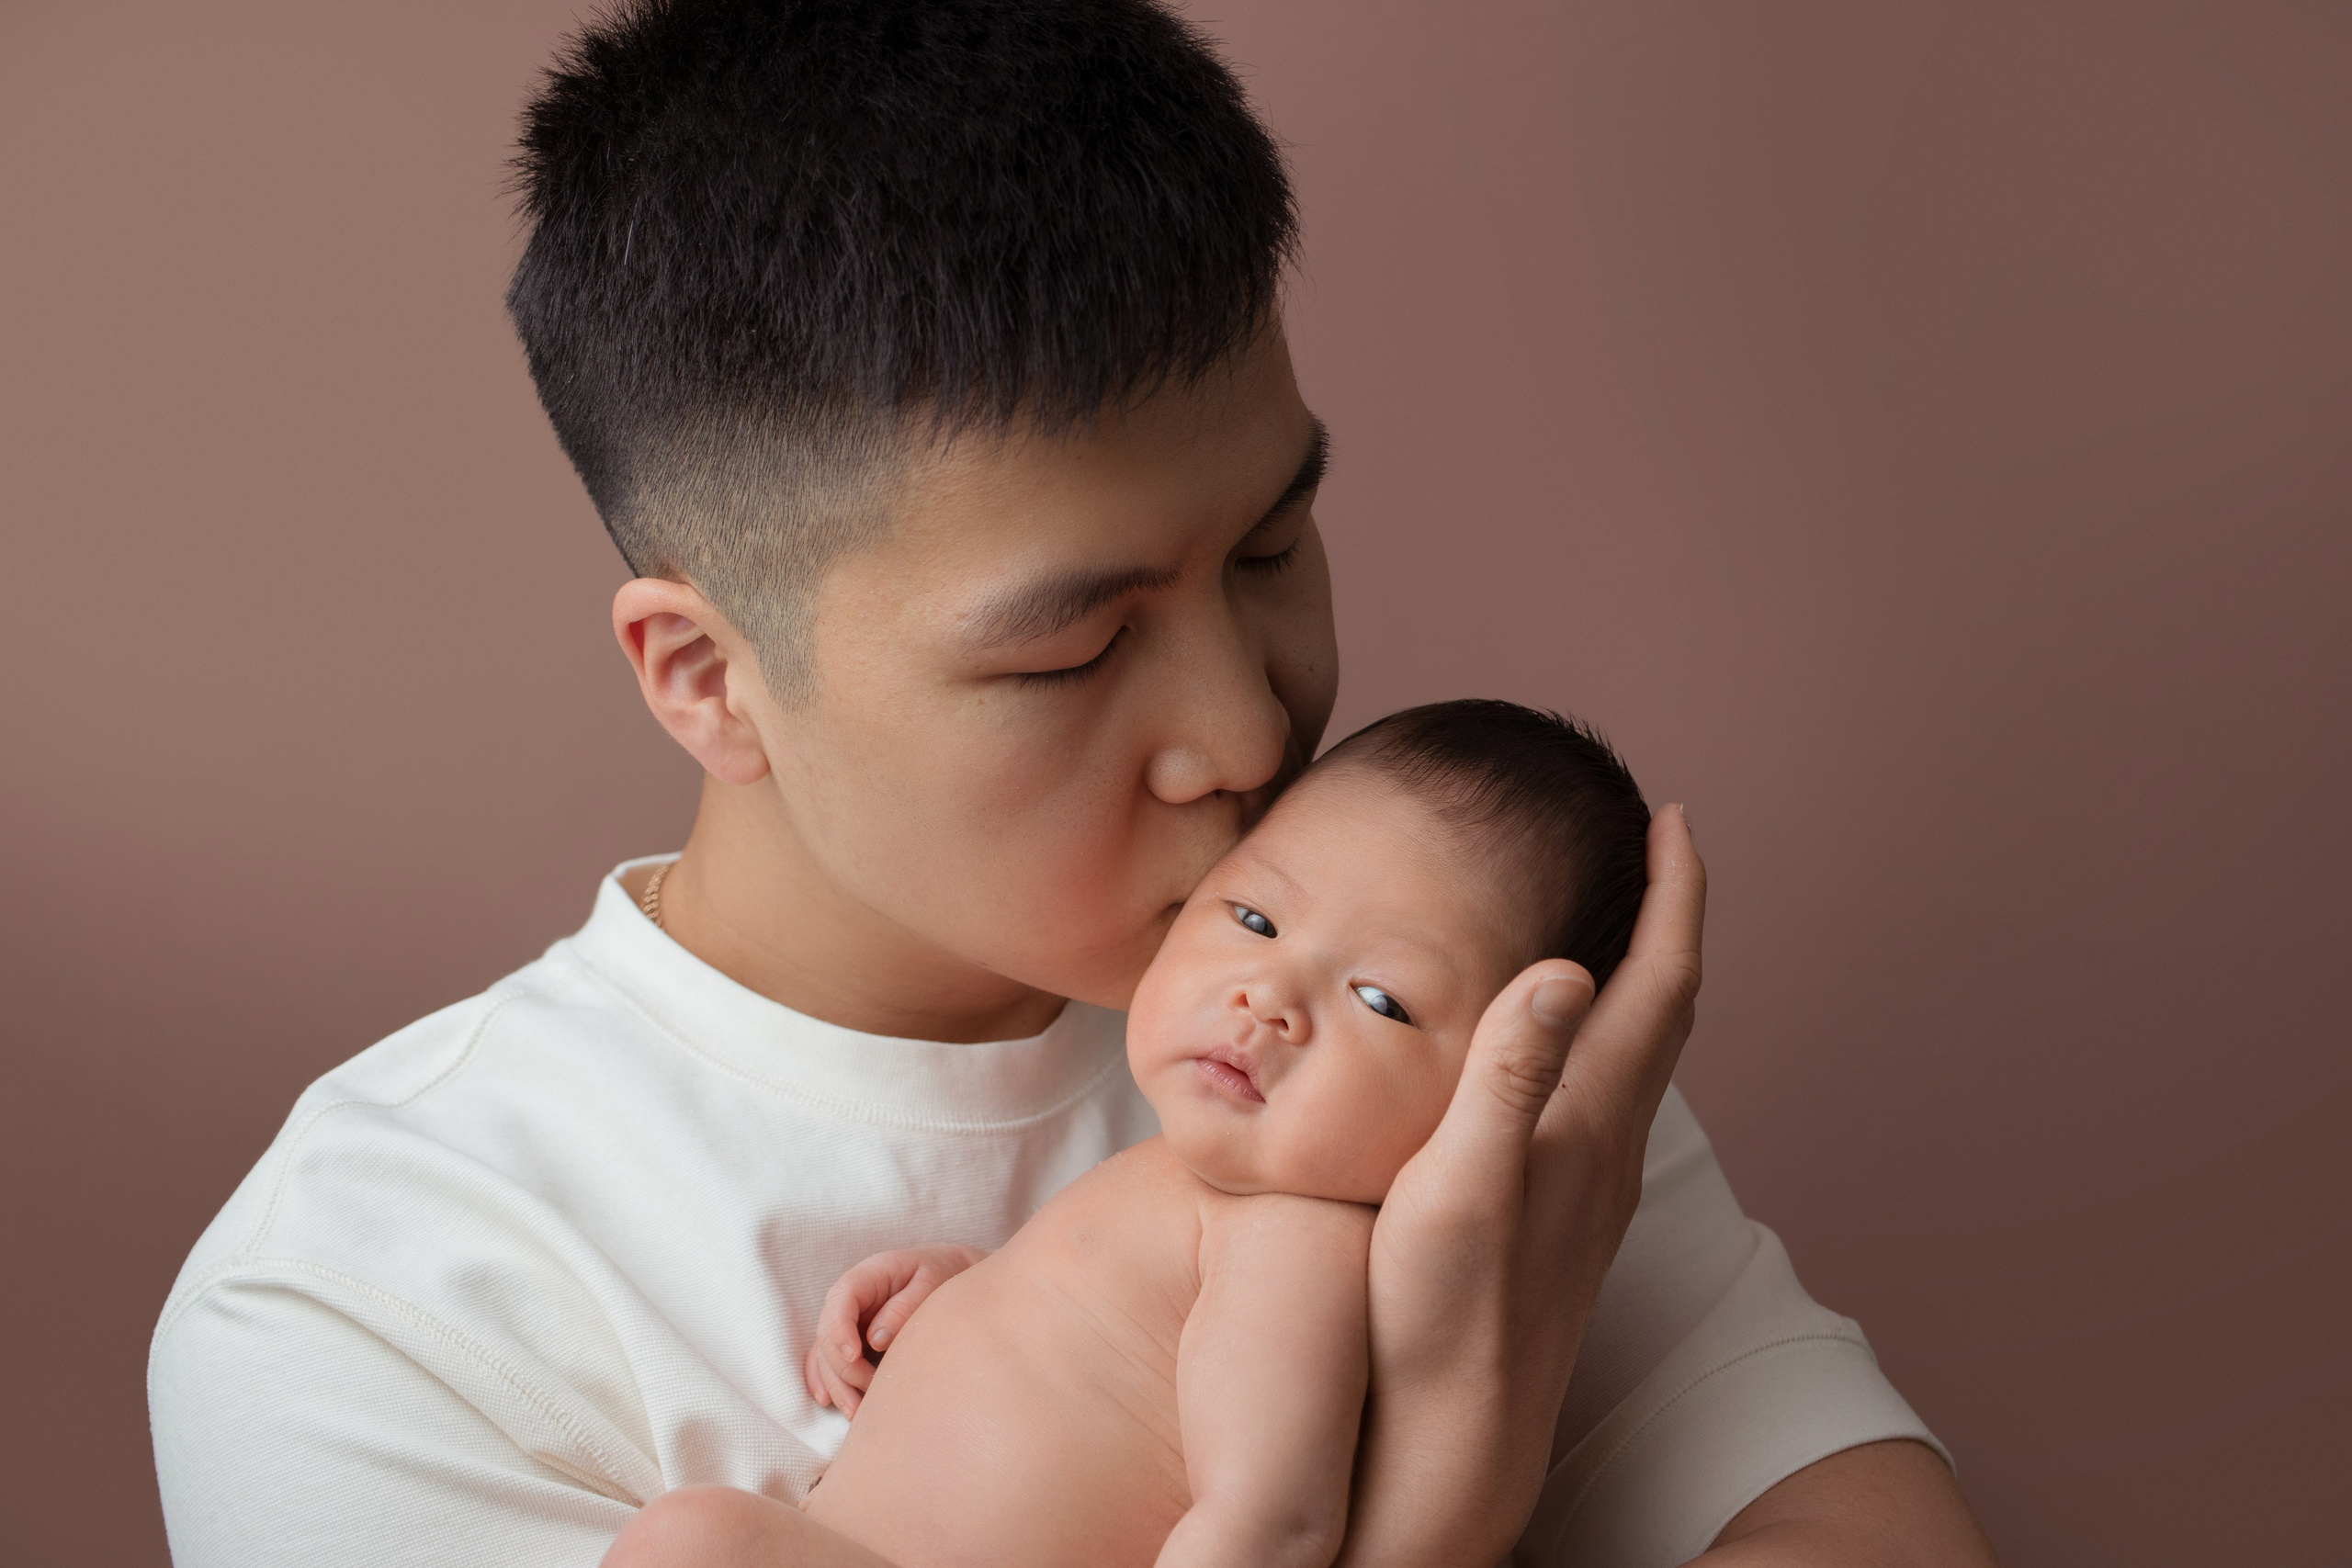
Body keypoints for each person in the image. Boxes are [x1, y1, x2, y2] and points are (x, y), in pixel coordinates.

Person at [147, 4, 1996, 1565]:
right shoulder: (376, 1295)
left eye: (1272, 548)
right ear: (709, 677)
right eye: (1071, 649)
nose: (1250, 737)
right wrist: (1439, 1494)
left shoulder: (1406, 984)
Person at [610, 700, 1656, 1568]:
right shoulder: (1189, 1184)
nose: (1268, 998)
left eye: (1381, 1000)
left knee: (690, 1542)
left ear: (1500, 1093)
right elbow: (1115, 1371)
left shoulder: (1291, 1244)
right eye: (1252, 920)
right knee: (694, 1538)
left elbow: (1272, 1523)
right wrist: (964, 1293)